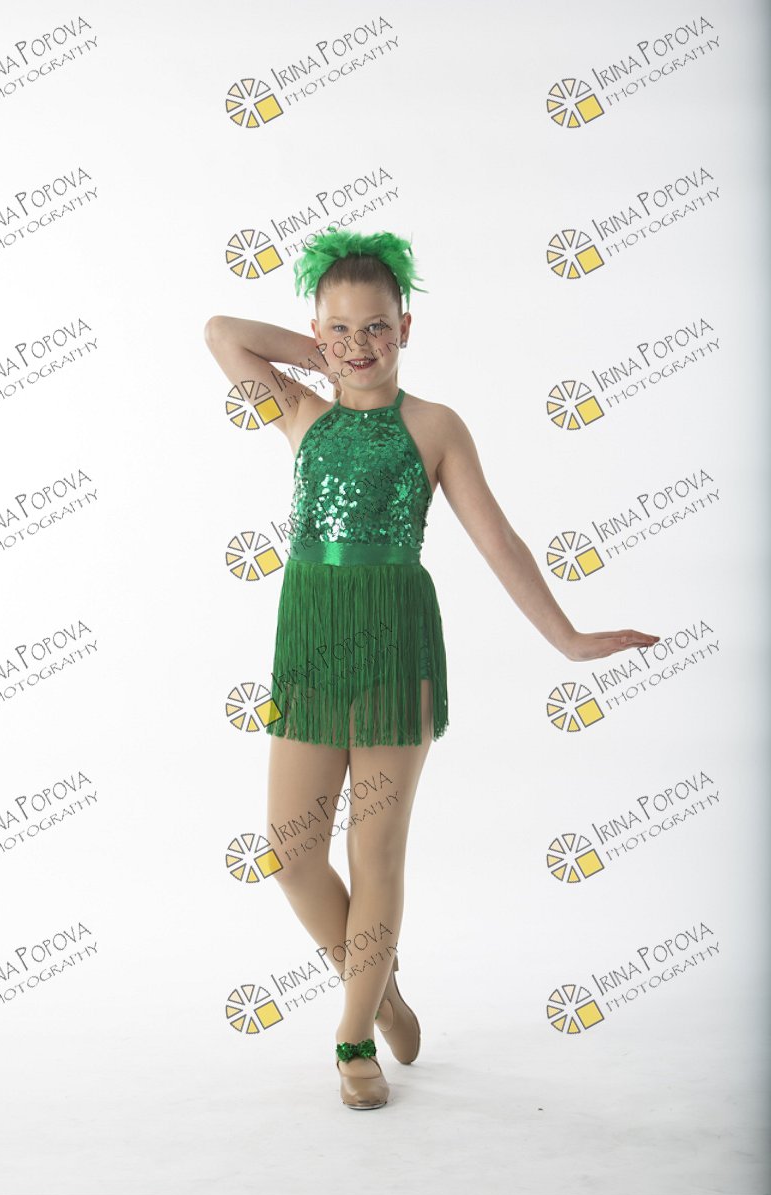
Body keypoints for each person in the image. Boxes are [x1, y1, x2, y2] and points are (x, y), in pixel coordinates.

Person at [204, 228, 659, 1110]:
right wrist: (321, 357)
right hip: (311, 646)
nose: (360, 345)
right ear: (318, 334)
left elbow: (500, 540)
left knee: (373, 849)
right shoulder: (301, 414)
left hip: (396, 648)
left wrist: (568, 640)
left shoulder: (436, 426)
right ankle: (380, 987)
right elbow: (222, 332)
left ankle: (353, 1036)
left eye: (377, 327)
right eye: (341, 330)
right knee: (290, 852)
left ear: (406, 328)